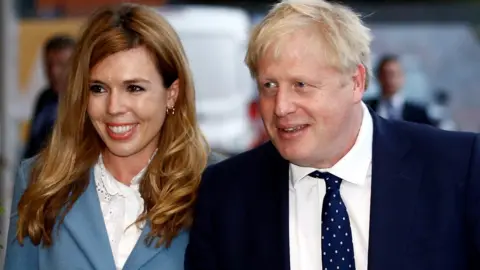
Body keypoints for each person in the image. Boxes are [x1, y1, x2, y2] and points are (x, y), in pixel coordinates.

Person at [185, 1, 480, 270]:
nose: (281, 107)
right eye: (269, 86)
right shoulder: (226, 193)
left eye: (301, 84)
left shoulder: (458, 169)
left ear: (356, 82)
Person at [6, 3, 210, 270]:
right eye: (99, 88)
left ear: (172, 93)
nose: (114, 107)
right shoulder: (40, 182)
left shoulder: (215, 186)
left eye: (134, 88)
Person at [23, 34, 75, 159]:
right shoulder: (44, 98)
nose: (54, 72)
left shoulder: (87, 102)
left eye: (62, 65)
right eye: (49, 64)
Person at [365, 54, 436, 126]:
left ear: (403, 77)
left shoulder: (418, 114)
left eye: (394, 74)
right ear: (378, 77)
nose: (390, 79)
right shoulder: (366, 109)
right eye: (385, 74)